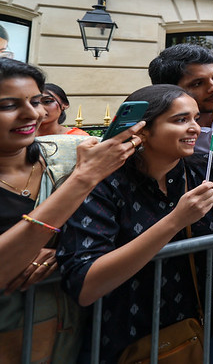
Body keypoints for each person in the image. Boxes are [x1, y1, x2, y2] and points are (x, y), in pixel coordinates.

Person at [57, 84, 213, 363]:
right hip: (123, 337)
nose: (195, 127)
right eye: (181, 120)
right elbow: (86, 286)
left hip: (195, 328)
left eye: (195, 118)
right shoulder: (103, 182)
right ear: (142, 130)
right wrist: (175, 221)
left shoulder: (201, 169)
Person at [0, 59, 140, 362]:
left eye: (36, 101)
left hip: (70, 336)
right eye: (8, 105)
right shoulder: (80, 168)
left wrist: (65, 249)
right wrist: (83, 179)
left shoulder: (66, 152)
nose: (32, 114)